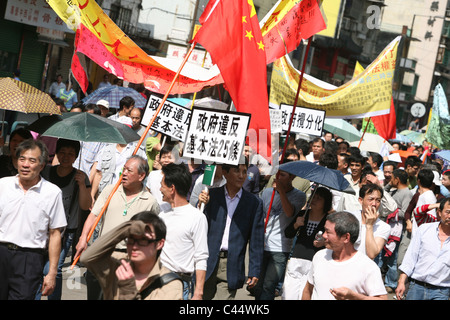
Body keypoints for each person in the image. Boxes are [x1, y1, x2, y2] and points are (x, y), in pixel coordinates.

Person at [75, 155, 160, 299]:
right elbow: (93, 216)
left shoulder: (150, 202)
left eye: (129, 170)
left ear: (141, 176)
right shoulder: (110, 190)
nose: (124, 173)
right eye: (124, 169)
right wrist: (83, 238)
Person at [0, 139, 67, 299]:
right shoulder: (3, 185)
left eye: (32, 160)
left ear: (42, 165)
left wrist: (51, 272)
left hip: (30, 260)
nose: (25, 164)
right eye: (22, 159)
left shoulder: (52, 193)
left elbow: (55, 233)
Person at [36, 138, 92, 300]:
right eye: (62, 152)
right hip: (42, 229)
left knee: (53, 270)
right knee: (38, 268)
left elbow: (85, 205)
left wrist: (82, 185)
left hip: (66, 232)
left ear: (76, 157)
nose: (66, 157)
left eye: (71, 154)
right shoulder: (45, 172)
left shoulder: (80, 177)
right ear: (56, 154)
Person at [80, 211, 183, 300]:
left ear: (159, 244)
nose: (134, 246)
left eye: (143, 240)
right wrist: (126, 228)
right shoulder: (119, 264)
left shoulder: (169, 283)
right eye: (131, 239)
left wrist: (128, 290)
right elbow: (87, 257)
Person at [203, 161, 265, 300]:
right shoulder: (211, 196)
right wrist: (201, 204)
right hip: (208, 260)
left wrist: (254, 270)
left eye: (244, 172)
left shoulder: (253, 203)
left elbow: (256, 240)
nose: (241, 175)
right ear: (225, 172)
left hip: (231, 263)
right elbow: (199, 226)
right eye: (237, 171)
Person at [302, 211, 388, 300]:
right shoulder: (319, 256)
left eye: (328, 232)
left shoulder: (367, 267)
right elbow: (307, 290)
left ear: (346, 238)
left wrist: (355, 296)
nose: (324, 235)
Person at [158, 163, 209, 300]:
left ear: (172, 188)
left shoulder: (197, 218)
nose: (160, 189)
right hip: (157, 283)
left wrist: (198, 293)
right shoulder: (162, 215)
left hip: (179, 286)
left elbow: (201, 257)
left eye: (162, 185)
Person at [254, 169, 306, 300]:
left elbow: (289, 213)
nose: (277, 178)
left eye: (282, 175)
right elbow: (259, 215)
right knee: (258, 286)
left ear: (292, 177)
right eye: (276, 174)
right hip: (263, 244)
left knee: (269, 286)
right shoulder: (266, 193)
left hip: (280, 248)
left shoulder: (299, 196)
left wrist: (281, 192)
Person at [282, 187, 333, 300]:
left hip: (315, 262)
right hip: (296, 260)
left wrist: (324, 243)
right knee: (288, 296)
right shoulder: (303, 214)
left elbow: (334, 241)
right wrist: (296, 225)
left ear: (326, 202)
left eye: (318, 198)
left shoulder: (329, 219)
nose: (314, 199)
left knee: (305, 296)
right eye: (313, 196)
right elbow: (288, 233)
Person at [396, 197, 450, 300]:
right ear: (439, 212)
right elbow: (410, 258)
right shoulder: (425, 230)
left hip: (441, 291)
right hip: (416, 288)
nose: (449, 216)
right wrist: (401, 282)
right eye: (447, 212)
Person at [375, 169, 412, 293]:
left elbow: (405, 212)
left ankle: (390, 283)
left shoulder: (407, 193)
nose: (390, 181)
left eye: (392, 178)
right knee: (380, 254)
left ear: (398, 179)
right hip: (386, 227)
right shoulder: (393, 190)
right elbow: (383, 193)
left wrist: (392, 212)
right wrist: (389, 185)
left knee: (393, 258)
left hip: (396, 230)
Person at [350, 183, 391, 259]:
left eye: (378, 200)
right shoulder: (350, 217)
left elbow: (372, 254)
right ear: (361, 200)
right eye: (370, 199)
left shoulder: (384, 227)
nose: (374, 204)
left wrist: (369, 226)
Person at [146, 143, 179, 212]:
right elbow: (147, 192)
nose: (166, 160)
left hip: (171, 213)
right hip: (153, 213)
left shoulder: (178, 176)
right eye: (163, 157)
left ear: (176, 160)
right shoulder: (152, 174)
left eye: (170, 158)